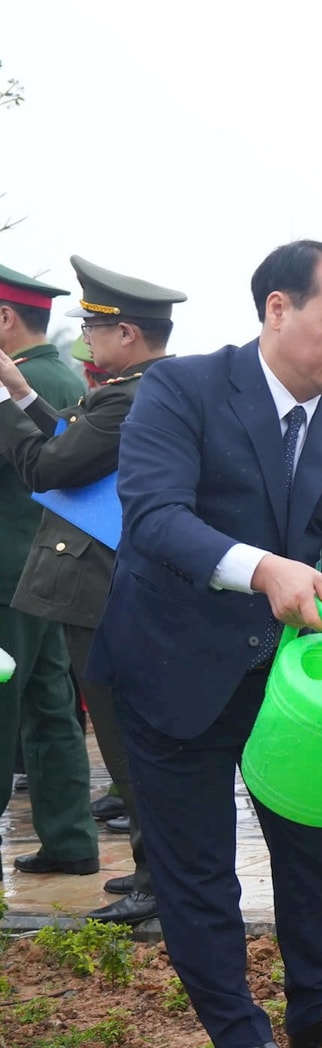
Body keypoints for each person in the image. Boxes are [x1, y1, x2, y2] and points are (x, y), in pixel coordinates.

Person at [91, 240, 322, 1048]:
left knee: (316, 842)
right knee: (199, 872)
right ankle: (242, 1040)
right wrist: (264, 568)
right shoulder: (182, 389)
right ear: (278, 309)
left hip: (286, 684)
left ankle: (321, 1004)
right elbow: (153, 516)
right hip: (169, 668)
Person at [0, 257, 186, 923]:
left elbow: (50, 467)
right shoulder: (152, 388)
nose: (88, 340)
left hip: (106, 586)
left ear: (128, 335)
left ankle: (160, 882)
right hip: (124, 584)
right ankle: (149, 867)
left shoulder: (128, 396)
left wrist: (1, 403)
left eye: (97, 329)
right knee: (131, 735)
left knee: (124, 738)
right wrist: (21, 393)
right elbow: (74, 438)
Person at [0, 262, 100, 881]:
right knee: (50, 704)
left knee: (12, 705)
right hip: (54, 573)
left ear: (5, 318)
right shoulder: (65, 377)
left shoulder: (14, 386)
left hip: (6, 574)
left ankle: (68, 841)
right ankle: (69, 840)